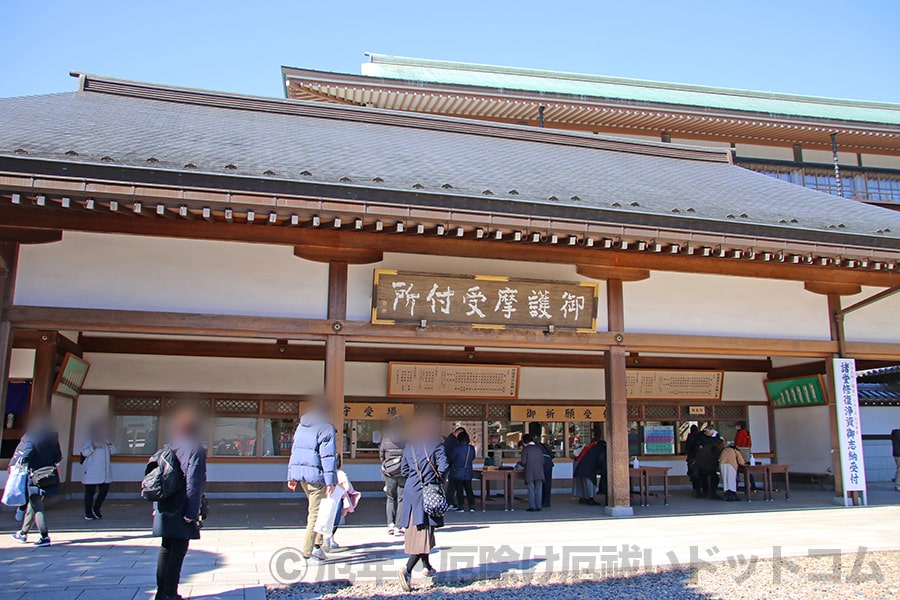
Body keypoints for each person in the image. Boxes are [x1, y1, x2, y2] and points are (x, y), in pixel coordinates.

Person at [152, 406, 207, 600]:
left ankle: (162, 592)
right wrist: (192, 513)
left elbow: (159, 476)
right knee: (178, 551)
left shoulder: (171, 445)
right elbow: (194, 482)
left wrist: (155, 507)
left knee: (166, 548)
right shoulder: (195, 449)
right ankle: (170, 592)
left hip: (165, 503)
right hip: (181, 504)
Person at [397, 412, 448, 592]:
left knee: (418, 530)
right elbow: (443, 466)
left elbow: (403, 470)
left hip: (411, 492)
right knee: (424, 532)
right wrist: (436, 481)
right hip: (427, 491)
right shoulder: (437, 445)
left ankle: (427, 566)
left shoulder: (410, 445)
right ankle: (407, 570)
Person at [287, 399, 337, 565]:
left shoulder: (302, 426)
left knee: (318, 511)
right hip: (317, 476)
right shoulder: (325, 427)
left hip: (302, 476)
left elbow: (295, 452)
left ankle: (318, 547)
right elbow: (328, 457)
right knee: (316, 515)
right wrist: (331, 481)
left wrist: (291, 476)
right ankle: (308, 553)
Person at [12, 415, 62, 547]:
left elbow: (26, 456)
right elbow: (58, 456)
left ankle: (44, 536)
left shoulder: (32, 438)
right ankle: (22, 533)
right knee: (33, 506)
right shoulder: (53, 439)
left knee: (37, 506)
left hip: (35, 475)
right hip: (49, 475)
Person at [81, 420, 116, 520]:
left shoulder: (106, 441)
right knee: (90, 492)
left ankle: (96, 508)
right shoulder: (89, 439)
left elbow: (113, 451)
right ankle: (88, 512)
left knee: (104, 490)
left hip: (105, 472)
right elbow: (84, 452)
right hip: (92, 471)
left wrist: (109, 443)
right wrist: (93, 447)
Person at [325, 454, 360, 551]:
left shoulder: (323, 473)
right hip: (337, 497)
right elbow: (347, 487)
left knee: (325, 519)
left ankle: (324, 539)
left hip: (325, 497)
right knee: (335, 519)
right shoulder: (340, 473)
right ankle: (330, 538)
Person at [380, 416, 406, 536]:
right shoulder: (406, 440)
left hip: (389, 473)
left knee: (390, 498)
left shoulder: (385, 440)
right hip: (402, 472)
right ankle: (399, 526)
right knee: (401, 498)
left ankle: (390, 523)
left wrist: (386, 466)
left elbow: (381, 456)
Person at [528, 423, 555, 508]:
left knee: (541, 483)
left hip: (542, 464)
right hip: (548, 463)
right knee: (546, 483)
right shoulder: (540, 444)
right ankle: (545, 501)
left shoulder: (531, 445)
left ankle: (542, 502)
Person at [448, 430, 476, 512]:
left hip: (458, 471)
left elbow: (452, 458)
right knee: (469, 489)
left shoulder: (456, 448)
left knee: (459, 490)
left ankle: (461, 506)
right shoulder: (471, 449)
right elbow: (473, 458)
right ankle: (472, 506)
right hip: (468, 471)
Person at [572, 439, 604, 505]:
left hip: (579, 465)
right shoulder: (598, 448)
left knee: (581, 483)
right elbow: (600, 460)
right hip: (588, 467)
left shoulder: (590, 448)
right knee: (589, 483)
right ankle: (590, 498)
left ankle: (582, 497)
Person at [695, 427, 722, 500]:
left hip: (711, 461)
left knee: (713, 478)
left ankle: (711, 492)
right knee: (705, 477)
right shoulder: (701, 437)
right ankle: (706, 492)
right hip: (704, 461)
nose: (707, 433)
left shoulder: (716, 437)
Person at [520, 434, 545, 512]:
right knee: (539, 489)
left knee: (531, 488)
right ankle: (539, 506)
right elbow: (543, 461)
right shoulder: (539, 449)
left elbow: (524, 462)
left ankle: (532, 506)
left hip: (530, 471)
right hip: (539, 471)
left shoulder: (526, 449)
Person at [443, 427, 464, 509]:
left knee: (451, 485)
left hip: (449, 465)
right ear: (458, 432)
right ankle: (449, 502)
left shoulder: (449, 439)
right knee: (451, 486)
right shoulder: (453, 441)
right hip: (450, 465)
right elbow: (452, 455)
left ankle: (449, 502)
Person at [733, 421, 757, 492]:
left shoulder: (740, 433)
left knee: (736, 469)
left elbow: (738, 443)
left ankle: (736, 485)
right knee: (747, 470)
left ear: (739, 426)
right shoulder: (747, 433)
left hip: (740, 451)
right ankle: (753, 485)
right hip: (747, 452)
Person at [684, 424, 703, 496]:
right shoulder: (700, 436)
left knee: (693, 474)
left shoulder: (690, 437)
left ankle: (695, 489)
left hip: (691, 458)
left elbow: (687, 447)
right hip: (699, 458)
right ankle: (700, 489)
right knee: (699, 474)